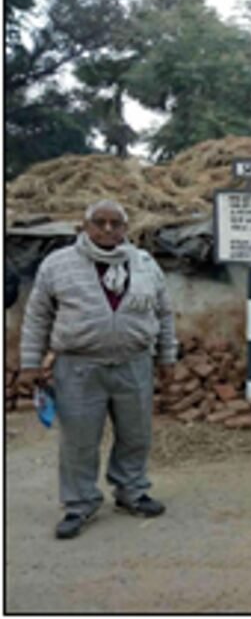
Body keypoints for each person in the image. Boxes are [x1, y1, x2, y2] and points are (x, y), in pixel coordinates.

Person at [18, 199, 178, 540]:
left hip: (134, 364)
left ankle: (131, 492)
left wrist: (167, 357)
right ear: (84, 226)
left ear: (125, 227)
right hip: (78, 367)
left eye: (116, 223)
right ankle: (79, 503)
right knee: (79, 439)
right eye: (100, 222)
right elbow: (37, 317)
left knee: (136, 435)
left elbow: (164, 314)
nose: (108, 229)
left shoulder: (145, 264)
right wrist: (30, 363)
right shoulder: (58, 265)